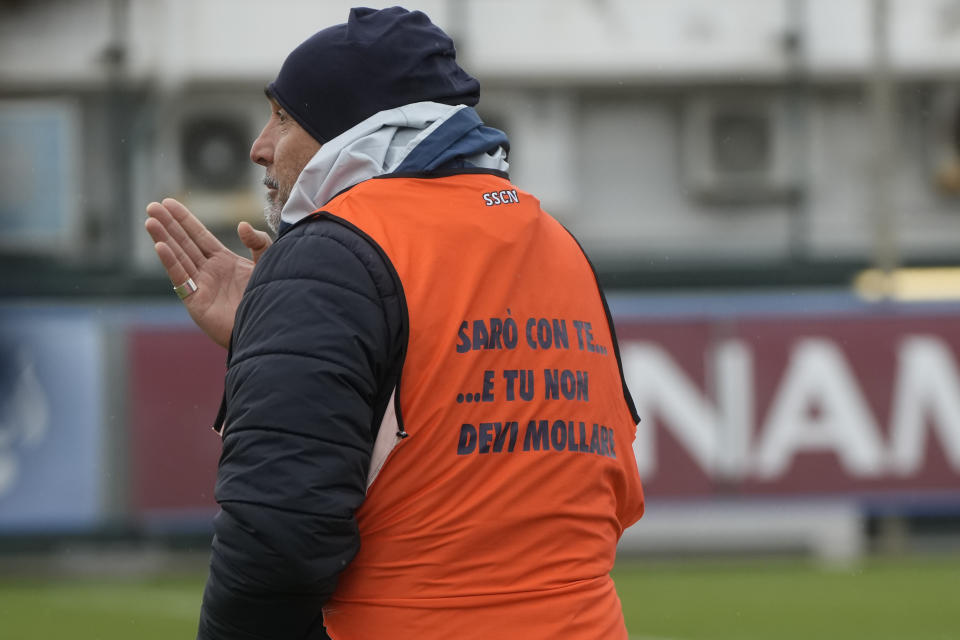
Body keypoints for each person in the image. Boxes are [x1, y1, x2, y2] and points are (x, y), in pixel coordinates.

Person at [144, 6, 644, 640]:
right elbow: (612, 489)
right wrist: (278, 333)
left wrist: (304, 306)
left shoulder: (334, 252)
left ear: (351, 130)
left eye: (284, 117)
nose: (259, 146)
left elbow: (277, 537)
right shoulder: (558, 243)